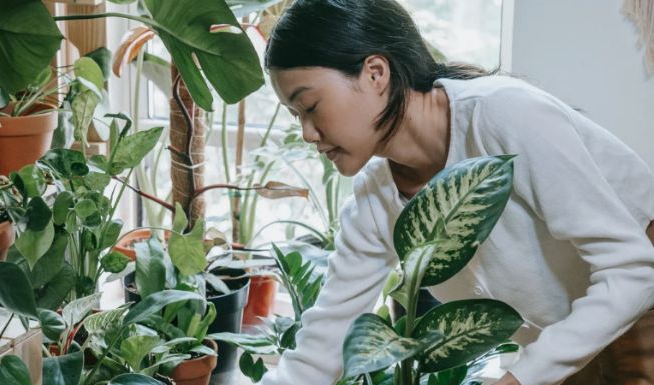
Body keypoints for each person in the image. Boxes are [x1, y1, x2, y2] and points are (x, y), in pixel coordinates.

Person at [259, 0, 654, 384]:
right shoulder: (374, 201)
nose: (308, 134)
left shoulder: (503, 114)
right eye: (297, 117)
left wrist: (520, 377)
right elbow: (325, 342)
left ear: (375, 73)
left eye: (310, 106)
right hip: (563, 343)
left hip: (640, 310)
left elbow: (634, 270)